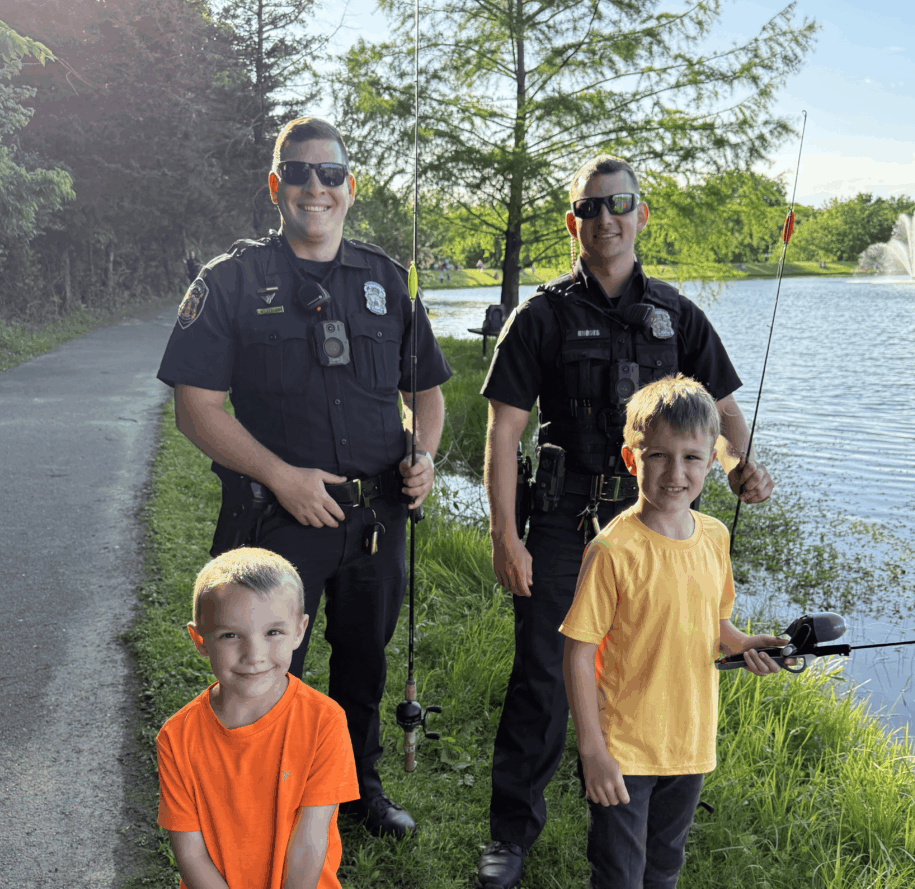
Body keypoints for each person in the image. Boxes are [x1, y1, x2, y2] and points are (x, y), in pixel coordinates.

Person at [476, 154, 775, 888]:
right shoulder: (541, 315)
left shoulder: (677, 315)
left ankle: (631, 803)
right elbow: (503, 433)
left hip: (660, 520)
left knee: (656, 660)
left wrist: (741, 463)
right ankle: (510, 835)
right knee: (544, 675)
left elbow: (726, 412)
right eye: (589, 207)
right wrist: (503, 535)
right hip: (561, 520)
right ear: (570, 220)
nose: (604, 218)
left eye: (619, 204)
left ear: (642, 213)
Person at [157, 116, 452, 840]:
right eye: (297, 173)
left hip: (375, 519)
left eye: (328, 174)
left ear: (350, 188)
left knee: (363, 662)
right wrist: (280, 476)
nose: (313, 187)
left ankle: (357, 792)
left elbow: (428, 392)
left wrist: (426, 454)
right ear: (274, 185)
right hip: (275, 518)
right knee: (258, 665)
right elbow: (195, 411)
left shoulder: (387, 278)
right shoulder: (229, 282)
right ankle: (254, 797)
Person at [561, 375, 788, 889]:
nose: (675, 473)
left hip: (690, 742)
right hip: (623, 749)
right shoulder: (613, 551)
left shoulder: (714, 536)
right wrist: (592, 752)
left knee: (664, 869)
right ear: (630, 460)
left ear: (712, 461)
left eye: (691, 458)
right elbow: (577, 654)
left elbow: (715, 624)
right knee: (620, 873)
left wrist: (744, 644)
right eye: (658, 456)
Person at [157, 548, 359, 889]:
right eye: (231, 635)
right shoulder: (177, 737)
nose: (255, 656)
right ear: (200, 640)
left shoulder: (324, 721)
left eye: (273, 633)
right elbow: (190, 853)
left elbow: (308, 843)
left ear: (299, 630)